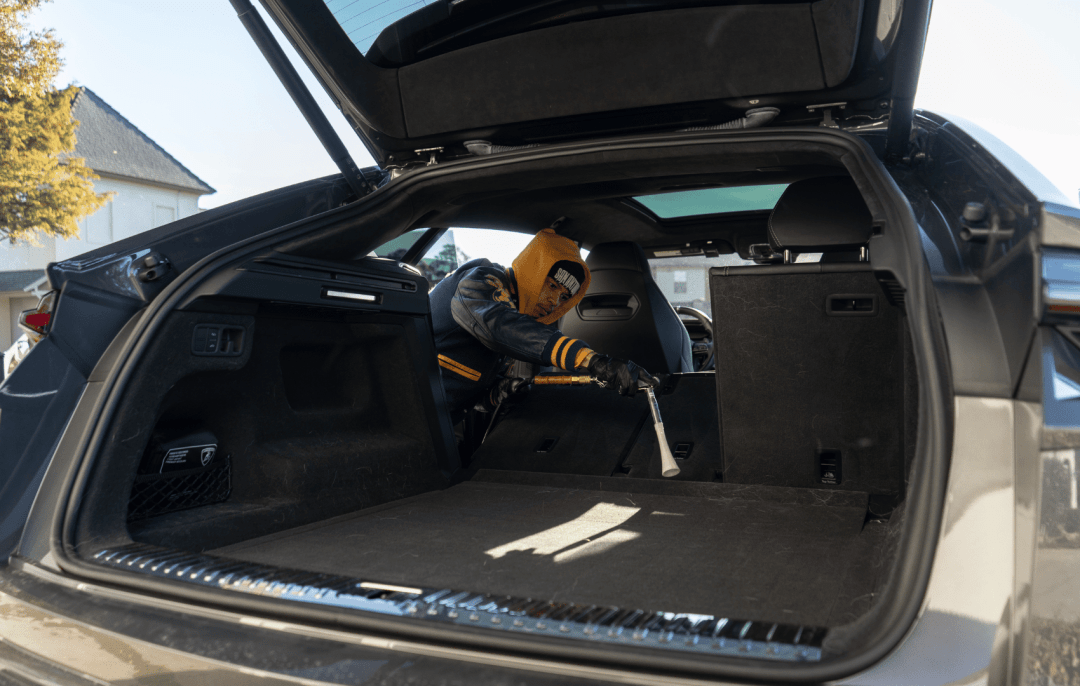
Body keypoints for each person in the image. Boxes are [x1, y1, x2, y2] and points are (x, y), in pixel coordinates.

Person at [429, 227, 658, 419]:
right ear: (533, 270)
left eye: (564, 297)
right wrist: (592, 361)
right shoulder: (481, 280)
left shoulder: (517, 315)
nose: (554, 301)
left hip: (440, 422)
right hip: (409, 408)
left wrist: (497, 395)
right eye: (551, 286)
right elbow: (498, 326)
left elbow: (470, 394)